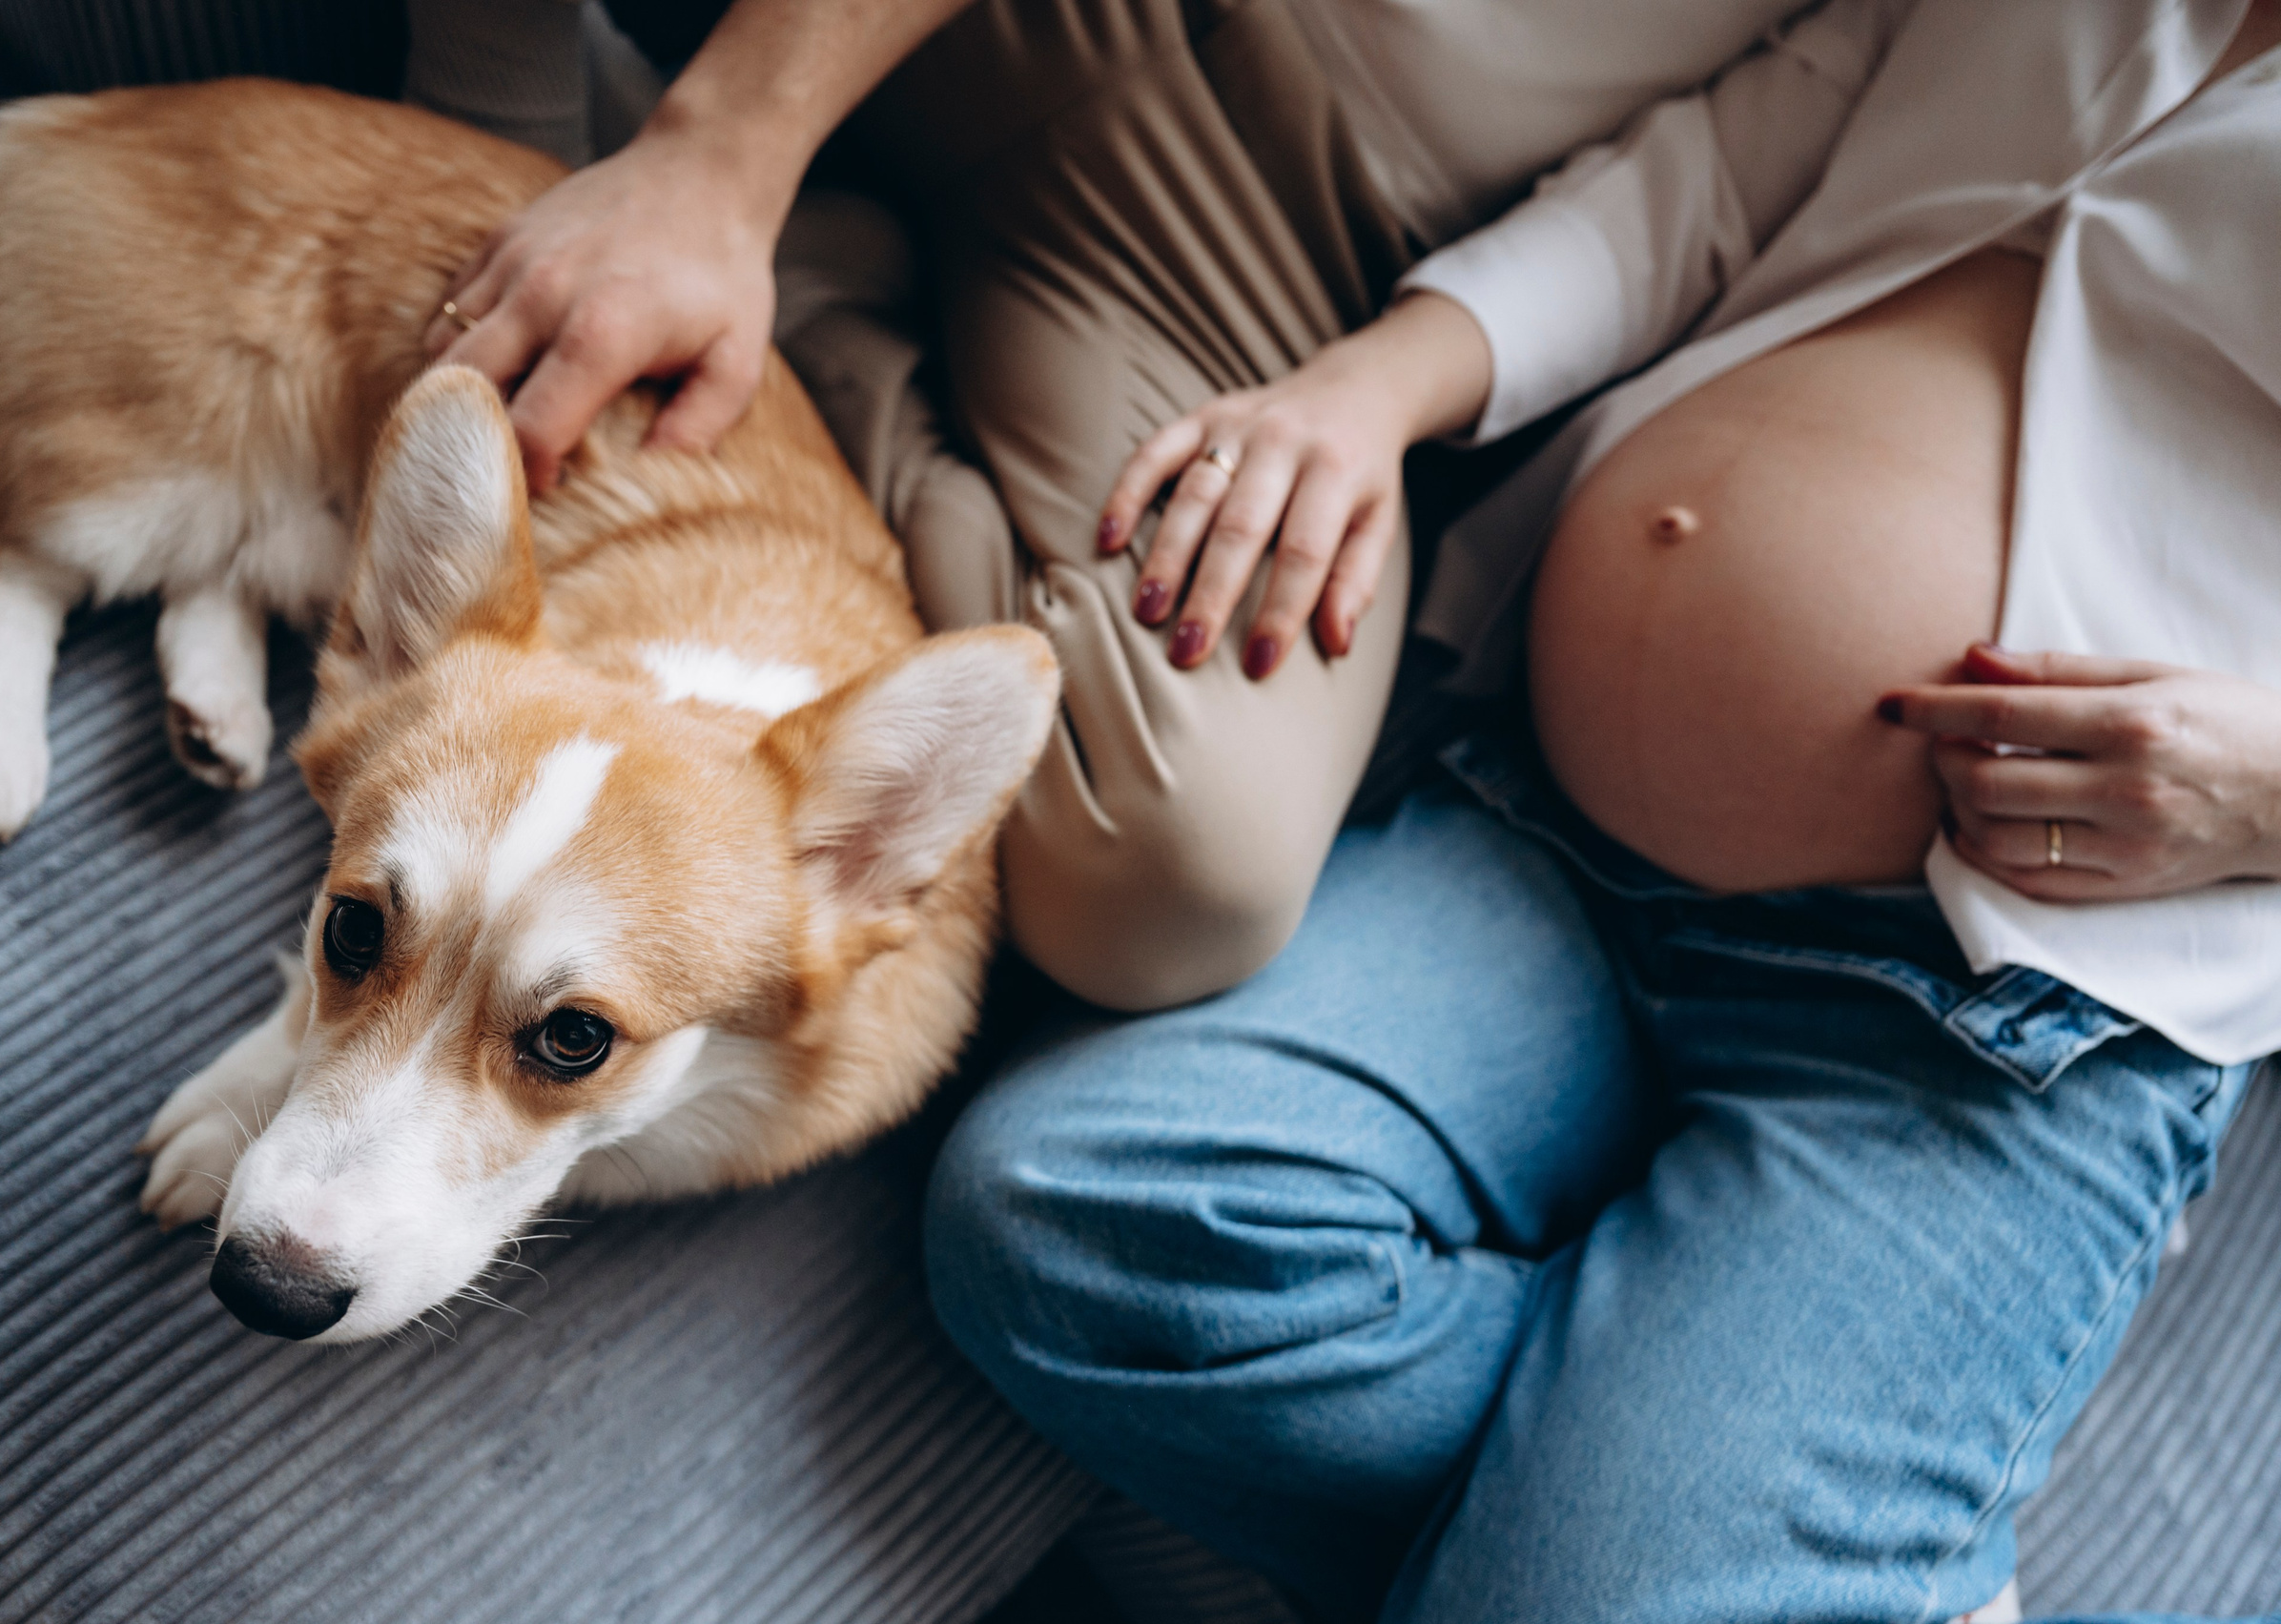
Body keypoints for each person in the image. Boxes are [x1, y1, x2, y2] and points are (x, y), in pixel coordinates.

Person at [920, 1, 2281, 1621]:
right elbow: (1720, 180)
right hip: (1549, 844)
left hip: (1993, 1018)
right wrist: (1370, 392)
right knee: (1074, 1222)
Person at [409, 0, 1811, 1011]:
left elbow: (1732, 164)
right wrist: (714, 152)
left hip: (1297, 245)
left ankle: (819, 307)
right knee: (465, 329)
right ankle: (521, 156)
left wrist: (1386, 387)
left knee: (1182, 871)